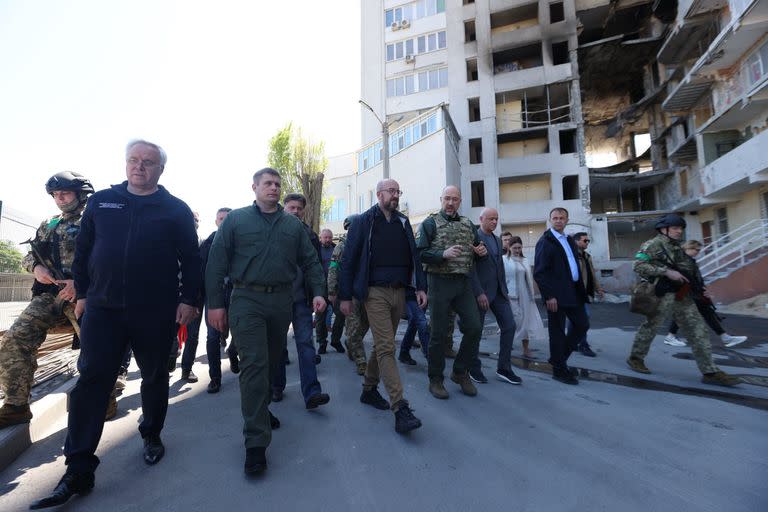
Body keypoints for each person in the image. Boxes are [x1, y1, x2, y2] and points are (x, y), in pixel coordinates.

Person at [30, 140, 202, 510]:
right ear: (126, 164)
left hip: (155, 311)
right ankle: (78, 468)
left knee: (155, 375)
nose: (139, 167)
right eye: (133, 160)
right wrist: (84, 295)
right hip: (104, 310)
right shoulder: (102, 203)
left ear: (160, 169)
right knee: (92, 381)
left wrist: (189, 300)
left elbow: (191, 260)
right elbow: (85, 254)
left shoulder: (175, 210)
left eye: (148, 162)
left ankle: (151, 433)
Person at [206, 167, 326, 475]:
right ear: (255, 187)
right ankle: (256, 444)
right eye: (267, 183)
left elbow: (311, 260)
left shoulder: (293, 226)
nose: (273, 188)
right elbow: (216, 262)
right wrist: (215, 305)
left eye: (277, 184)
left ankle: (260, 410)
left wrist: (319, 292)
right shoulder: (236, 220)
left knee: (272, 362)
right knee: (255, 365)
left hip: (281, 300)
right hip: (246, 298)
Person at [0, 172, 94, 429]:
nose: (59, 199)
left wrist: (81, 285)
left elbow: (112, 260)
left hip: (88, 297)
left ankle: (100, 402)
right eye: (55, 195)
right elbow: (29, 255)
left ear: (81, 194)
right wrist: (35, 269)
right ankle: (16, 406)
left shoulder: (98, 220)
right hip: (51, 295)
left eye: (65, 193)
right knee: (15, 339)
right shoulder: (50, 224)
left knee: (97, 350)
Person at [339, 179, 426, 434]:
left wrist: (420, 286)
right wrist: (345, 296)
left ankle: (368, 389)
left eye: (398, 191)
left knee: (380, 345)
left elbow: (414, 255)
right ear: (379, 194)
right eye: (391, 191)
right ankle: (400, 407)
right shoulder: (363, 221)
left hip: (400, 291)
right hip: (374, 292)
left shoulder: (402, 221)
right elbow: (348, 260)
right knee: (388, 346)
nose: (396, 196)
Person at [626, 214, 740, 387]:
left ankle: (710, 372)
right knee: (651, 327)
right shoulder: (652, 245)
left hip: (682, 295)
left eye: (681, 228)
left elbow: (689, 271)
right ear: (664, 229)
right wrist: (665, 271)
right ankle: (636, 358)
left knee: (698, 331)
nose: (679, 231)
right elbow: (638, 265)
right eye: (675, 228)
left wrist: (701, 289)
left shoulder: (678, 248)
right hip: (660, 294)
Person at [416, 185, 488, 400]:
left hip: (463, 282)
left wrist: (481, 252)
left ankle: (459, 372)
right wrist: (442, 254)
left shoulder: (467, 224)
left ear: (460, 201)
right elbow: (420, 254)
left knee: (474, 327)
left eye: (454, 199)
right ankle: (436, 379)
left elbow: (477, 248)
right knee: (438, 334)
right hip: (438, 282)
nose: (450, 203)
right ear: (441, 199)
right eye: (447, 198)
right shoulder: (430, 223)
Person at [270, 193, 331, 409]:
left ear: (303, 211)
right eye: (291, 207)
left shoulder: (310, 235)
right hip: (277, 300)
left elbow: (315, 268)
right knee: (276, 346)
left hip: (301, 300)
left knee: (305, 344)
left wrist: (319, 293)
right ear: (284, 207)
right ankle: (277, 386)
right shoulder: (273, 230)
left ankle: (312, 392)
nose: (295, 211)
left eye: (299, 208)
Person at [533, 207, 589, 385]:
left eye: (561, 218)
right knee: (557, 333)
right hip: (555, 296)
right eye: (555, 218)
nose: (558, 220)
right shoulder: (545, 241)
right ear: (550, 220)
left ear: (567, 220)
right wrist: (549, 296)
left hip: (573, 292)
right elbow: (540, 273)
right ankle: (559, 370)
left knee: (582, 324)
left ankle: (558, 358)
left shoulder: (569, 240)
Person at [470, 208, 521, 385]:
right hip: (481, 293)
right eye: (491, 219)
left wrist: (505, 291)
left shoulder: (498, 241)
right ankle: (473, 367)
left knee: (510, 326)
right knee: (475, 331)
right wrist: (478, 292)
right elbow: (470, 269)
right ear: (481, 219)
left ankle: (504, 368)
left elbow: (499, 266)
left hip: (499, 292)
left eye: (496, 219)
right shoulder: (474, 238)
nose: (494, 222)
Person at [663, 240, 747, 348]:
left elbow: (696, 278)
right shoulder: (682, 260)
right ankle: (670, 337)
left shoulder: (690, 260)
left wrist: (703, 289)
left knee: (706, 313)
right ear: (687, 248)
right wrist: (699, 290)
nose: (697, 252)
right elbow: (687, 278)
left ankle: (726, 338)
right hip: (685, 292)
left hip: (692, 291)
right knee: (686, 314)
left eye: (699, 250)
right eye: (695, 249)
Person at [327, 215, 368, 375]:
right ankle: (361, 361)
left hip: (365, 291)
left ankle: (352, 344)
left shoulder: (367, 244)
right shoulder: (341, 246)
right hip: (348, 292)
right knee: (353, 326)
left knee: (365, 323)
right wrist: (332, 291)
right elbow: (333, 268)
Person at [199, 207, 233, 393]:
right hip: (214, 295)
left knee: (242, 333)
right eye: (221, 218)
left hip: (237, 294)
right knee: (212, 337)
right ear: (216, 221)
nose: (224, 221)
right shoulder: (208, 243)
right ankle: (215, 378)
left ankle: (234, 354)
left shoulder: (241, 241)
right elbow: (200, 270)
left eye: (227, 218)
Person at [502, 234, 544, 360]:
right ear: (509, 247)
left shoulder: (525, 260)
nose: (517, 250)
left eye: (519, 248)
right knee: (513, 322)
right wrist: (504, 294)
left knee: (526, 322)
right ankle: (506, 346)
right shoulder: (504, 260)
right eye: (515, 248)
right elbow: (501, 278)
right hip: (511, 295)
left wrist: (533, 293)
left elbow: (529, 278)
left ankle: (526, 349)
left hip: (525, 294)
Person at [568, 232, 604, 357]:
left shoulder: (587, 256)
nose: (587, 242)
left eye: (588, 240)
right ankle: (583, 344)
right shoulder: (571, 256)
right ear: (576, 241)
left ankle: (572, 343)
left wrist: (598, 289)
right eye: (585, 240)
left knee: (575, 320)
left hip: (584, 293)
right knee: (584, 318)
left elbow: (592, 274)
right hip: (575, 293)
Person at [315, 228, 345, 354]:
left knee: (341, 314)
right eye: (325, 237)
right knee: (320, 317)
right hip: (321, 288)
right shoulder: (315, 250)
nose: (327, 240)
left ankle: (335, 340)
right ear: (320, 238)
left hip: (336, 288)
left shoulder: (337, 249)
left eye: (329, 237)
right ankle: (322, 342)